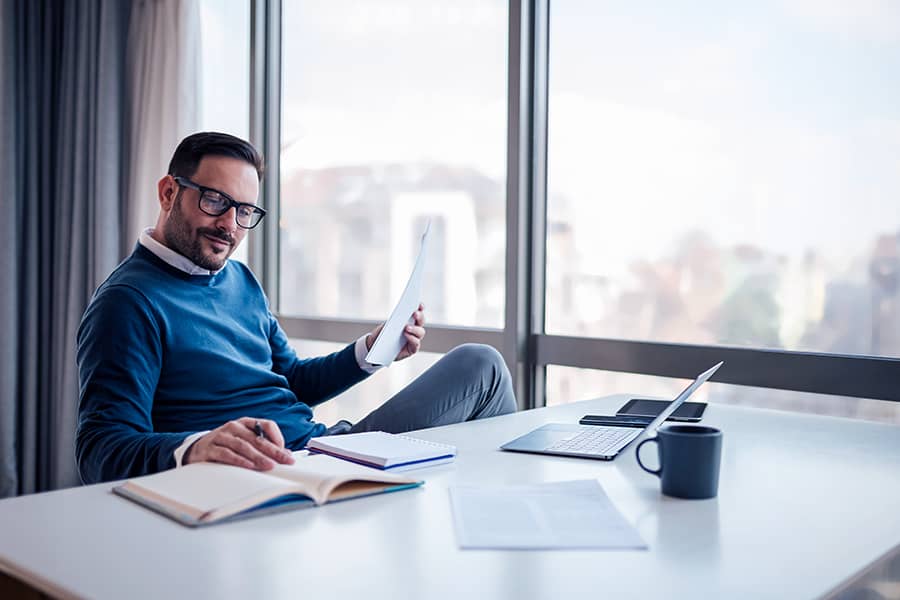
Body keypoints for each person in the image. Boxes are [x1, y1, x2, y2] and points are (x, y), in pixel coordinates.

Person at [75, 132, 516, 484]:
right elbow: (101, 449)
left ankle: (508, 515)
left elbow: (293, 380)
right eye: (215, 201)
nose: (230, 225)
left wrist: (371, 349)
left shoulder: (240, 281)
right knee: (484, 366)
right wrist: (196, 447)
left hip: (326, 451)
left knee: (480, 366)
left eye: (244, 210)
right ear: (169, 192)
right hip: (274, 473)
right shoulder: (127, 303)